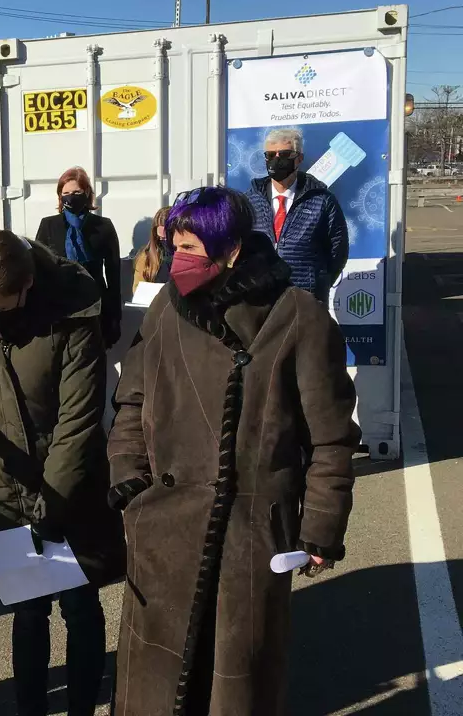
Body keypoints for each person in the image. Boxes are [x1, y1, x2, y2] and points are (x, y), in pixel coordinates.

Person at [108, 187, 360, 716]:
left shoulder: (298, 316)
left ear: (232, 251)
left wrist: (319, 530)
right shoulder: (165, 309)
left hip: (247, 537)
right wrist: (130, 481)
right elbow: (131, 400)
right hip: (164, 532)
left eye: (193, 248)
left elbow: (332, 440)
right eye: (175, 246)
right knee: (154, 685)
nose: (181, 260)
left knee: (235, 687)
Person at [0, 229, 126, 716]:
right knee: (27, 610)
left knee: (80, 608)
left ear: (27, 287)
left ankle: (84, 707)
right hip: (4, 487)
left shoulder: (73, 309)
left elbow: (78, 419)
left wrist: (53, 503)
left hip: (72, 489)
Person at [245, 127, 349, 303]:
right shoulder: (250, 200)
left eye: (284, 155)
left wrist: (319, 283)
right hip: (262, 299)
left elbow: (338, 251)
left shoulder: (322, 200)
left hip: (306, 299)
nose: (276, 161)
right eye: (270, 155)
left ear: (299, 158)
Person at [35, 166, 122, 348]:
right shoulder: (49, 225)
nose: (71, 196)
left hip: (94, 305)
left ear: (87, 192)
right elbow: (38, 269)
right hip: (59, 307)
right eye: (65, 192)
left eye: (76, 191)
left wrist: (115, 317)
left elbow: (114, 275)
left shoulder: (103, 226)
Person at [131, 205, 171, 291]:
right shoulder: (146, 257)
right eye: (161, 238)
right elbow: (138, 290)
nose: (163, 241)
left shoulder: (186, 255)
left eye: (167, 237)